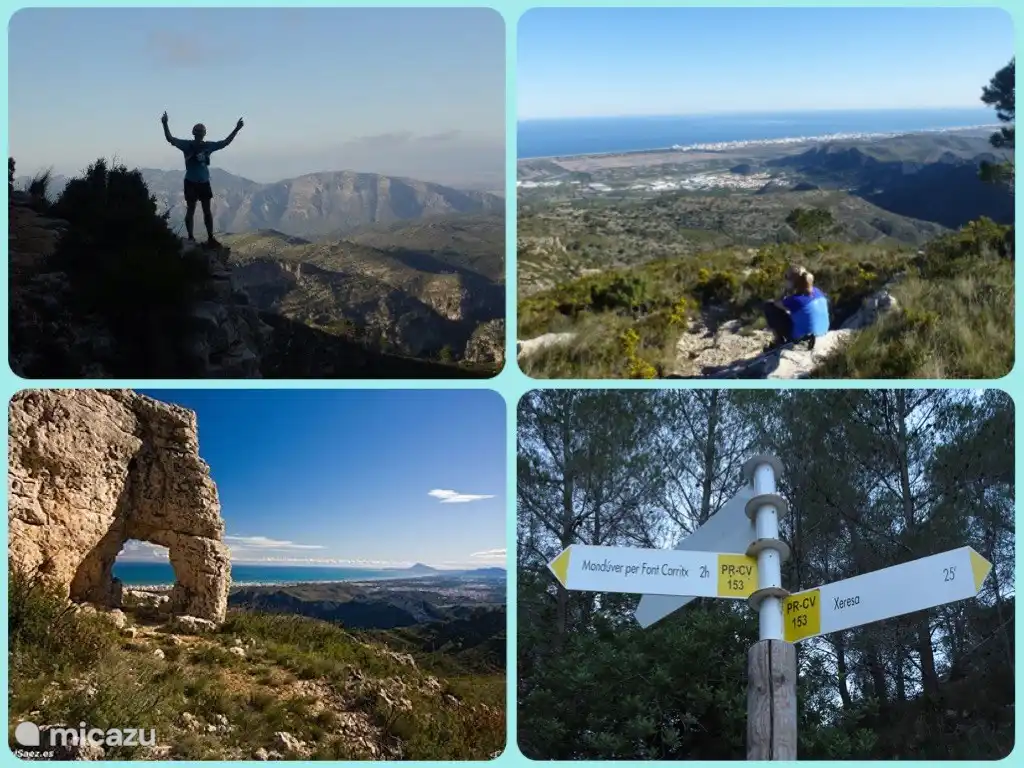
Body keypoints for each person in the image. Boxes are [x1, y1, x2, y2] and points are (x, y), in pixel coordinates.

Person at [161, 112, 244, 248]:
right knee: (205, 211)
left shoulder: (187, 145)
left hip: (193, 181)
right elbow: (225, 143)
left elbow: (170, 139)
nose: (199, 135)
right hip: (201, 182)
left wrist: (165, 124)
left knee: (192, 210)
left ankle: (192, 238)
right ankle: (208, 238)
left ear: (194, 133)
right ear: (203, 134)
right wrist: (237, 129)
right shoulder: (206, 146)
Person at [762, 266, 830, 350]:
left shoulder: (794, 300)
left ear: (793, 281)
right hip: (823, 332)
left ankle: (779, 341)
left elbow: (776, 303)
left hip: (803, 338)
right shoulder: (818, 291)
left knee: (769, 306)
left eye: (787, 277)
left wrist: (785, 290)